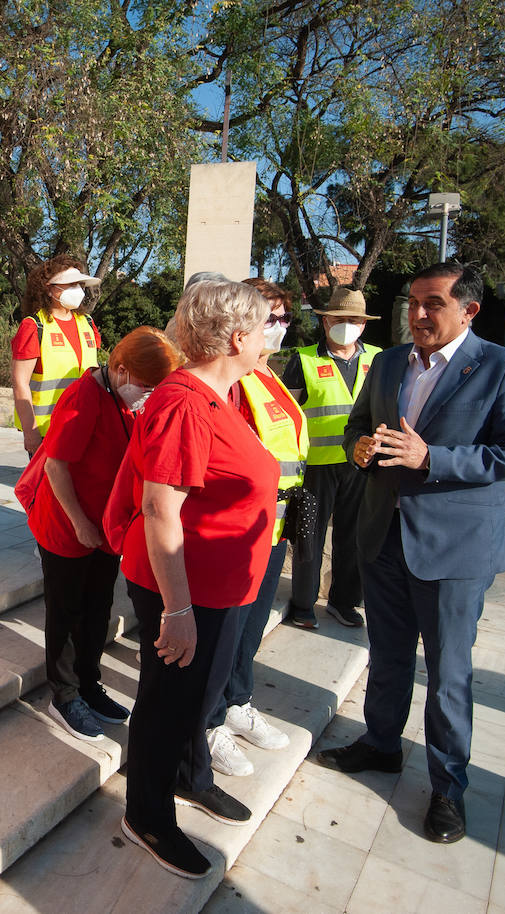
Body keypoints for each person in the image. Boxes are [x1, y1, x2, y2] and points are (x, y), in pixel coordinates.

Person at [319, 262, 505, 845]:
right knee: (387, 652)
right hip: (382, 535)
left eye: (433, 303)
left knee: (448, 672)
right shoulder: (388, 362)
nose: (417, 315)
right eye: (412, 303)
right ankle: (381, 744)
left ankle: (448, 786)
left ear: (469, 310)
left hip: (456, 547)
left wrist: (432, 459)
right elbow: (355, 427)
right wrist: (359, 447)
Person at [105, 279, 279, 879]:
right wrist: (177, 611)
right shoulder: (183, 403)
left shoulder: (218, 394)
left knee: (197, 700)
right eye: (263, 330)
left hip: (220, 585)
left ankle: (188, 776)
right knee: (168, 703)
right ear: (236, 337)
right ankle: (147, 813)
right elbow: (160, 508)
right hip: (186, 592)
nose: (268, 342)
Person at [23, 327, 183, 742]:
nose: (148, 395)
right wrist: (80, 523)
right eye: (146, 386)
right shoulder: (84, 396)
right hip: (67, 523)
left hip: (104, 527)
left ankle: (88, 684)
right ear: (122, 369)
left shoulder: (125, 399)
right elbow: (57, 466)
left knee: (97, 609)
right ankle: (64, 694)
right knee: (66, 610)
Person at [204, 278, 307, 777]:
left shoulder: (270, 375)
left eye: (284, 317)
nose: (279, 327)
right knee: (226, 632)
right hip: (241, 532)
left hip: (277, 526)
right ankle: (211, 722)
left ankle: (238, 701)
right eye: (270, 318)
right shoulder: (230, 383)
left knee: (250, 631)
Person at [279, 286, 381, 629]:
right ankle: (303, 604)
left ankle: (344, 601)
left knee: (353, 536)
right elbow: (286, 410)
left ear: (363, 325)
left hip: (362, 464)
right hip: (316, 467)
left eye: (353, 320)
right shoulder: (303, 359)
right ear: (325, 322)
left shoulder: (378, 359)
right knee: (309, 536)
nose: (346, 326)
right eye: (339, 319)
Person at [11, 257, 102, 456]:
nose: (77, 289)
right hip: (47, 430)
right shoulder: (33, 326)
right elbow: (20, 383)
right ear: (48, 289)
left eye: (78, 284)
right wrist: (31, 432)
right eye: (69, 284)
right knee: (48, 487)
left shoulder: (86, 323)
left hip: (84, 425)